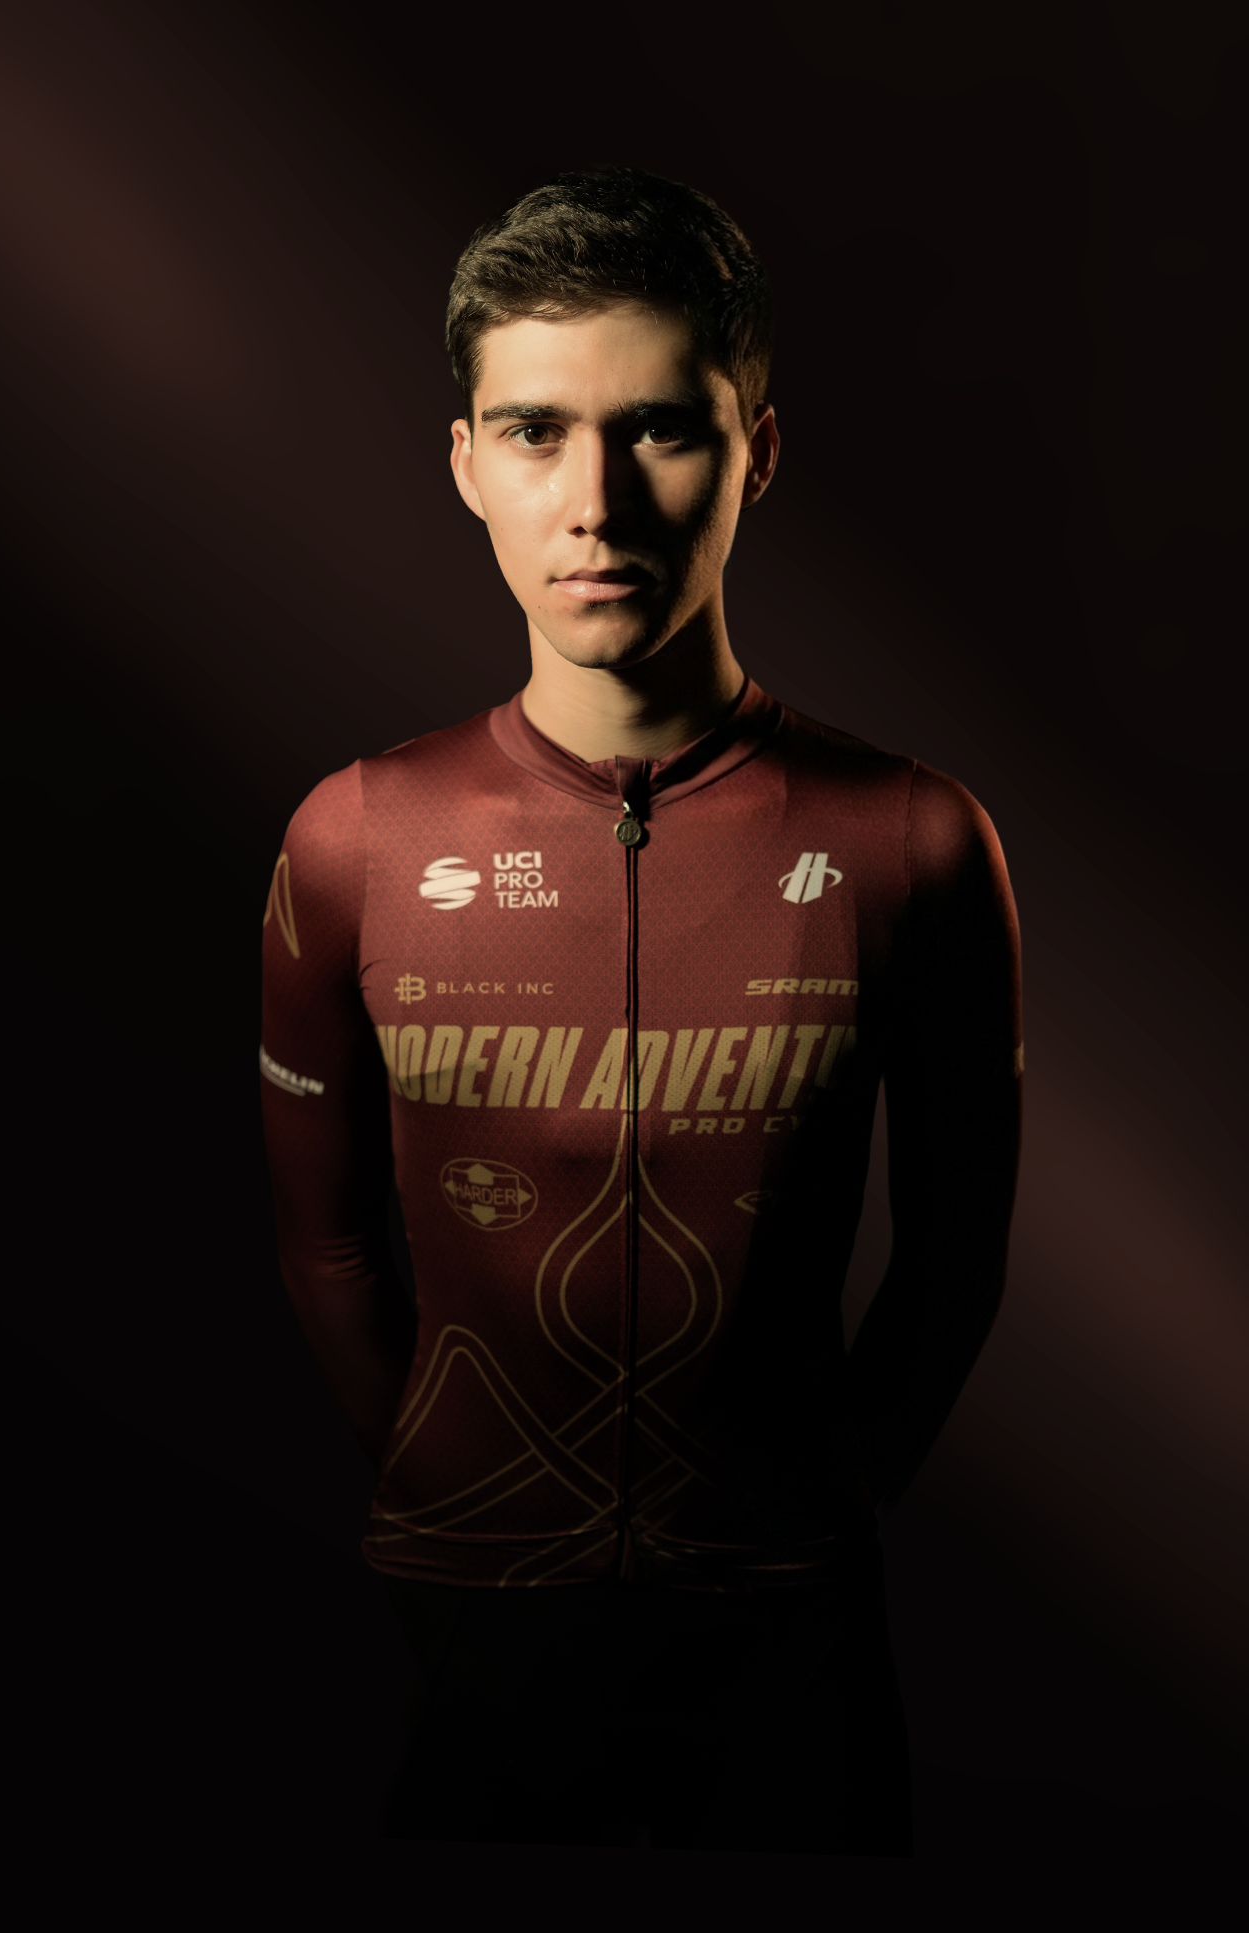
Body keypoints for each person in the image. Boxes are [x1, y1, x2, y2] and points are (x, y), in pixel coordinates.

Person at [259, 166, 1022, 1854]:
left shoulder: (912, 841)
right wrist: (457, 1483)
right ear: (463, 462)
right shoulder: (355, 837)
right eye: (535, 432)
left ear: (758, 445)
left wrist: (814, 1506)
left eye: (659, 428)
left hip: (793, 1659)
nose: (595, 500)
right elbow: (324, 1246)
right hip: (454, 1646)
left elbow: (958, 1259)